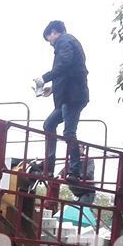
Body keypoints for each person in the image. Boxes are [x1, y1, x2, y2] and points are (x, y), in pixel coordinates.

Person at [33, 20, 89, 179]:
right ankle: (49, 166)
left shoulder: (65, 41)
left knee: (69, 132)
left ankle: (74, 171)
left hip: (72, 97)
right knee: (49, 124)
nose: (50, 43)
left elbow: (64, 64)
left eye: (48, 38)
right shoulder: (69, 42)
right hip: (69, 95)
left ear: (53, 32)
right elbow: (70, 71)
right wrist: (53, 88)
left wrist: (44, 78)